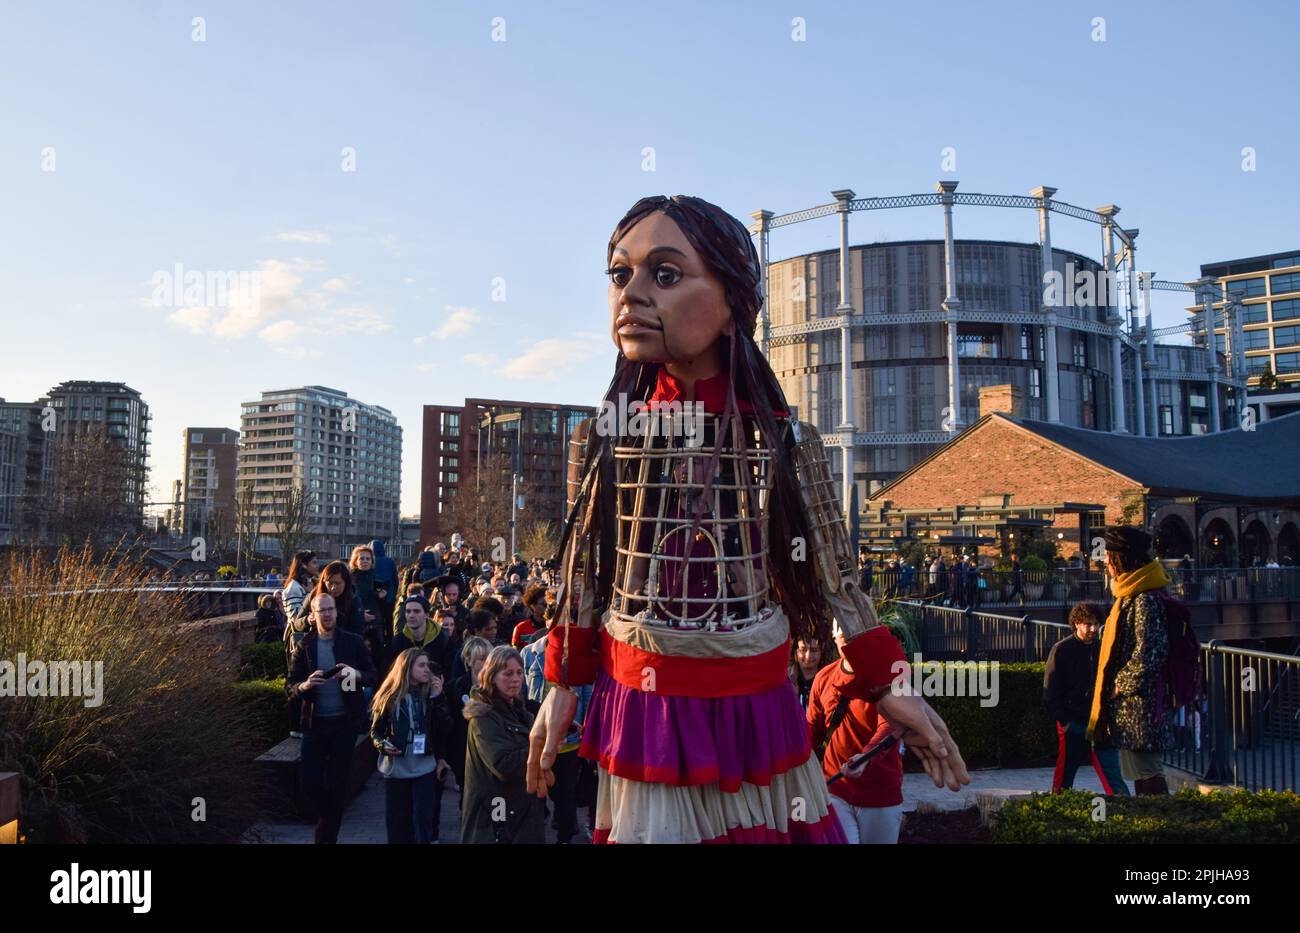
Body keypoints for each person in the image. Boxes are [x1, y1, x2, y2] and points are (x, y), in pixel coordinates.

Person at [526, 194, 968, 844]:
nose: (633, 294)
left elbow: (837, 581)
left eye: (666, 273)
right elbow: (587, 570)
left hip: (753, 711)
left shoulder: (785, 444)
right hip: (644, 709)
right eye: (621, 274)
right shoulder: (606, 437)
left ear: (734, 299)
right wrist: (563, 682)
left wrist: (888, 684)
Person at [1087, 525, 1176, 796]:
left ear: (1122, 559)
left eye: (1109, 558)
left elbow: (1150, 653)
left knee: (1147, 771)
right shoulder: (1131, 594)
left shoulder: (1144, 598)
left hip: (1140, 703)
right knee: (1139, 771)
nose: (1106, 564)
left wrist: (1119, 685)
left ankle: (1156, 824)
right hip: (1133, 703)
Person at [285, 591, 378, 843]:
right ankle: (329, 817)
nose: (326, 614)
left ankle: (325, 837)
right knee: (310, 781)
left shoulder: (353, 642)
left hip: (344, 723)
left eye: (330, 609)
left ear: (337, 612)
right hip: (315, 723)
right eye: (321, 611)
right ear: (313, 616)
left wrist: (355, 674)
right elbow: (290, 686)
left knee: (337, 783)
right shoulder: (305, 646)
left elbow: (372, 676)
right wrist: (305, 686)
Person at [808, 626, 905, 844]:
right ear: (834, 637)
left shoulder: (887, 675)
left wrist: (865, 757)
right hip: (835, 790)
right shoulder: (823, 677)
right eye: (843, 635)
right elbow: (810, 733)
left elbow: (891, 724)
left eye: (853, 635)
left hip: (880, 793)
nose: (849, 642)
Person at [461, 645, 546, 844]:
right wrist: (543, 747)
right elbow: (503, 765)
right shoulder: (483, 716)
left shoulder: (518, 710)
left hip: (521, 814)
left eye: (518, 672)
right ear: (491, 676)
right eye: (507, 673)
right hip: (496, 818)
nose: (515, 679)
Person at [1043, 602, 1128, 795]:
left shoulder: (1102, 649)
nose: (1092, 629)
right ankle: (1058, 805)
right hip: (1073, 721)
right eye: (1087, 624)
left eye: (1096, 624)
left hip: (1099, 720)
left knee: (1112, 771)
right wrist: (1063, 721)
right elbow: (1050, 690)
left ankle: (1123, 805)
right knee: (1065, 774)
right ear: (1076, 624)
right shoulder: (1061, 649)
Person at [370, 647, 453, 844]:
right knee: (398, 823)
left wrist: (438, 697)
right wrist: (382, 745)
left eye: (427, 665)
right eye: (422, 665)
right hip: (397, 768)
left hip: (424, 767)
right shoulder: (389, 697)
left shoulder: (431, 695)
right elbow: (375, 731)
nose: (427, 670)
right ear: (407, 668)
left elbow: (447, 727)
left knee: (422, 819)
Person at [448, 636, 492, 796]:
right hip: (464, 754)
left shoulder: (498, 687)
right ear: (468, 661)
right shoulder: (455, 688)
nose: (487, 662)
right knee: (468, 798)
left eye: (489, 657)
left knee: (496, 799)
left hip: (492, 753)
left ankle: (497, 819)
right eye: (481, 658)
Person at [789, 636, 822, 710]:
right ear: (796, 651)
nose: (808, 656)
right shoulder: (786, 680)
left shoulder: (828, 679)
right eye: (803, 650)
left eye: (814, 650)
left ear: (821, 652)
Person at [511, 582, 548, 649]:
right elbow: (517, 652)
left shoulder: (553, 626)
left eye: (549, 605)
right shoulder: (521, 628)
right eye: (544, 604)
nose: (547, 608)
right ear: (533, 606)